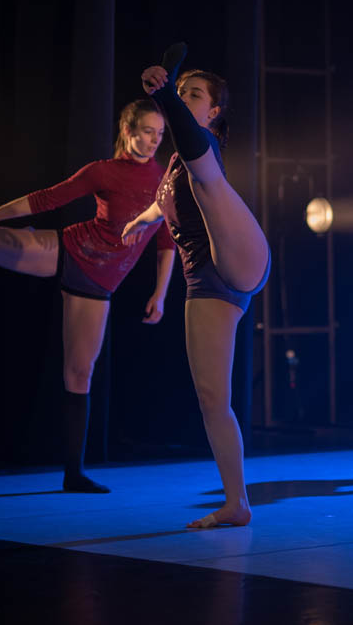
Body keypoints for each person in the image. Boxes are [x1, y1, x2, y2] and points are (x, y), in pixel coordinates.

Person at [0, 99, 176, 493]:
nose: (154, 141)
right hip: (71, 250)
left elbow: (165, 242)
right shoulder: (103, 171)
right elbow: (50, 197)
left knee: (79, 373)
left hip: (98, 283)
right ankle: (16, 238)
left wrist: (160, 294)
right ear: (128, 131)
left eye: (159, 134)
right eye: (147, 132)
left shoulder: (163, 181)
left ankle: (73, 474)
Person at [122, 43, 269, 528]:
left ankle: (237, 502)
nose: (186, 99)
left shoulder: (203, 144)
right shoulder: (173, 166)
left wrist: (166, 94)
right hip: (201, 277)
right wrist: (142, 221)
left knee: (208, 177)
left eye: (194, 94)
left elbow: (188, 138)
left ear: (214, 111)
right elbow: (163, 201)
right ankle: (236, 503)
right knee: (211, 398)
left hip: (231, 259)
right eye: (182, 92)